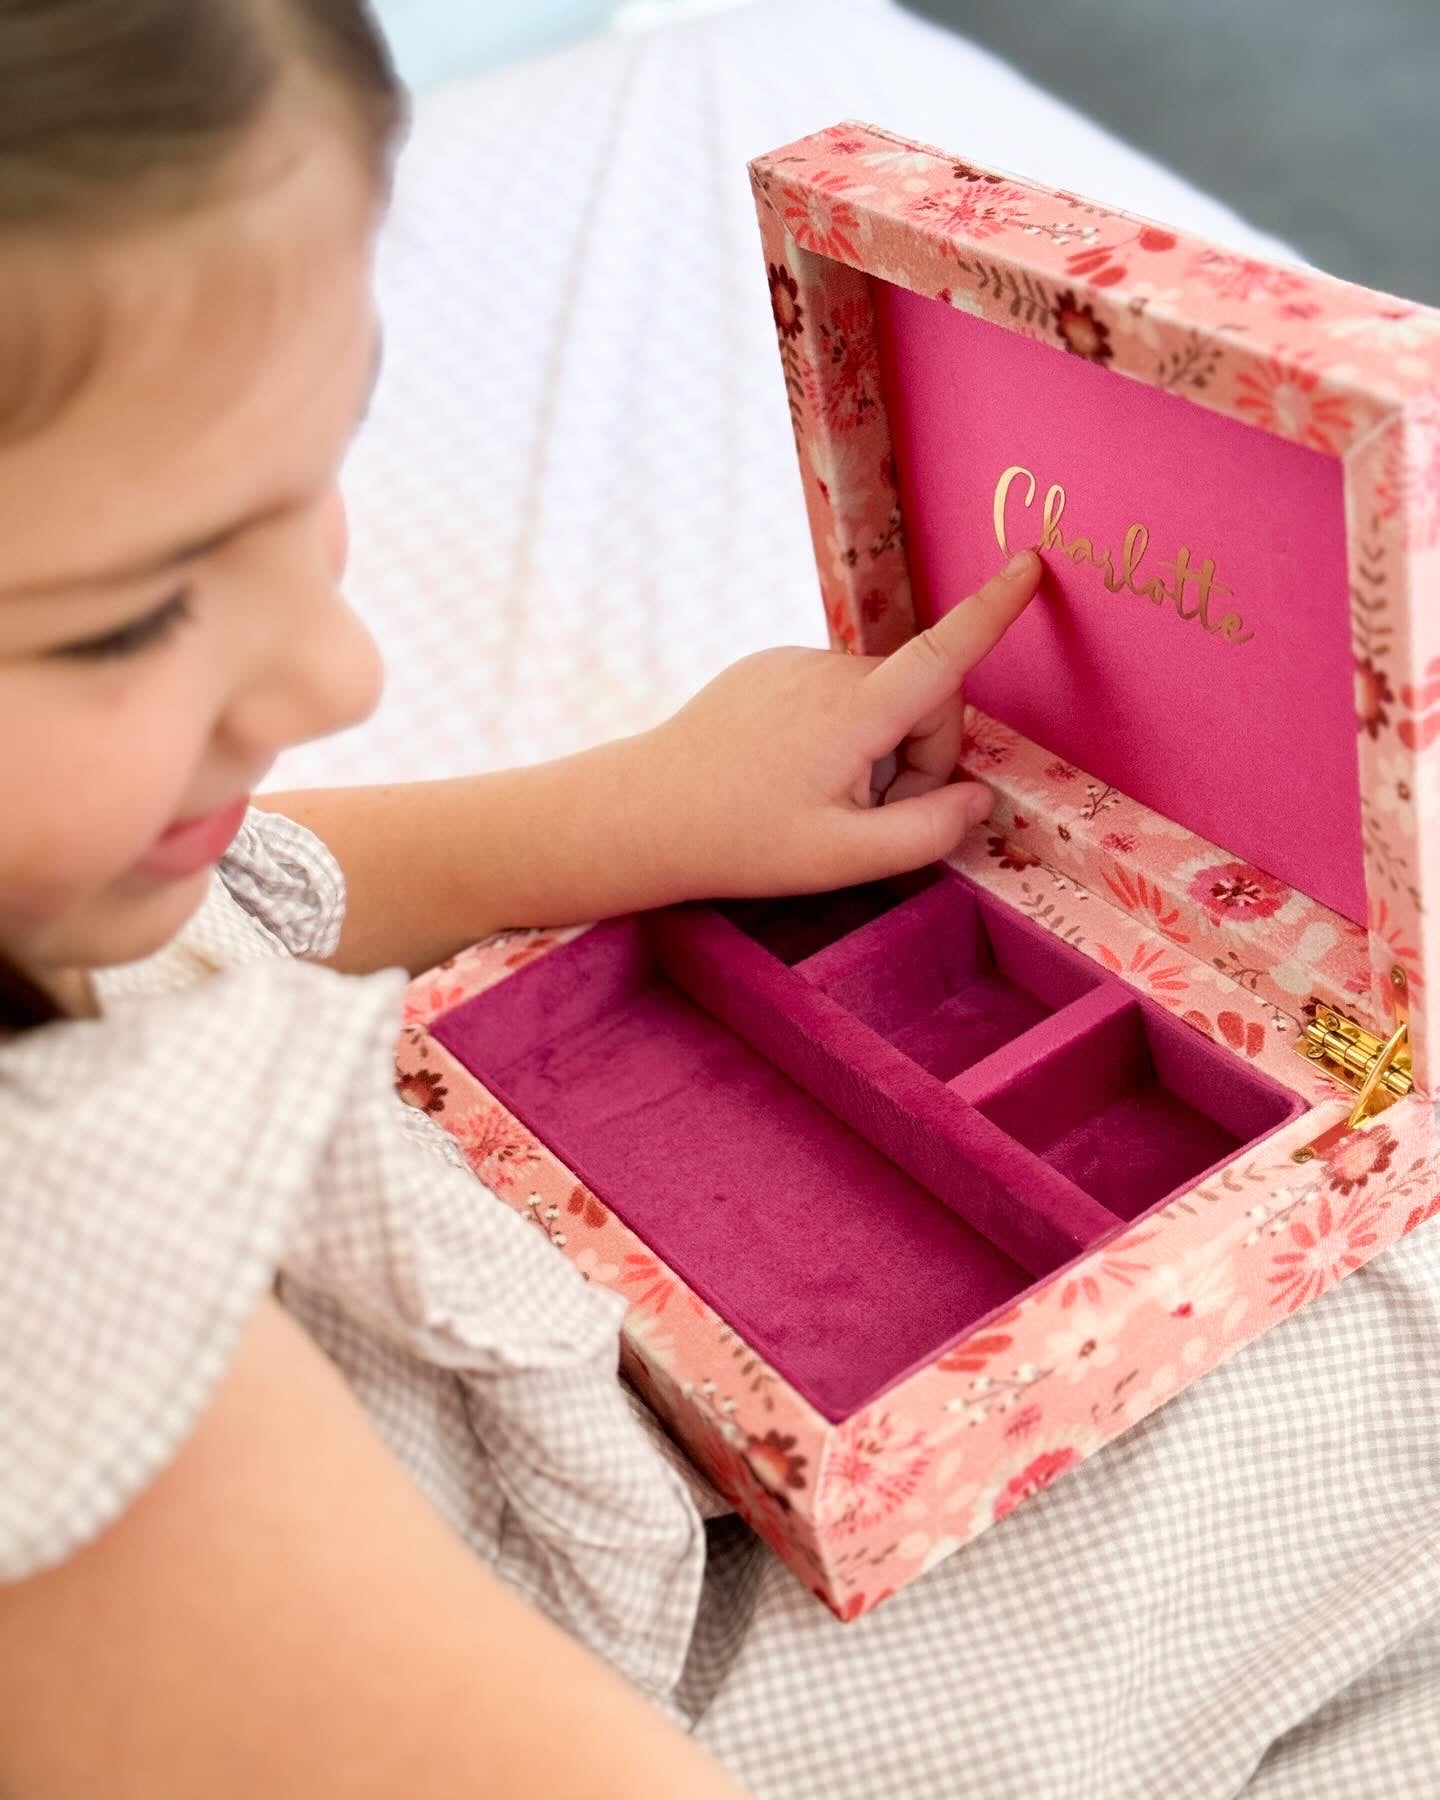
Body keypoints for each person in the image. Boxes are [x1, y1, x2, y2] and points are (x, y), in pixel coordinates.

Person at [0, 4, 1045, 1793]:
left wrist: (621, 812)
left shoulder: (63, 883)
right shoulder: (88, 1387)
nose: (341, 669)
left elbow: (244, 908)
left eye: (318, 470)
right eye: (125, 615)